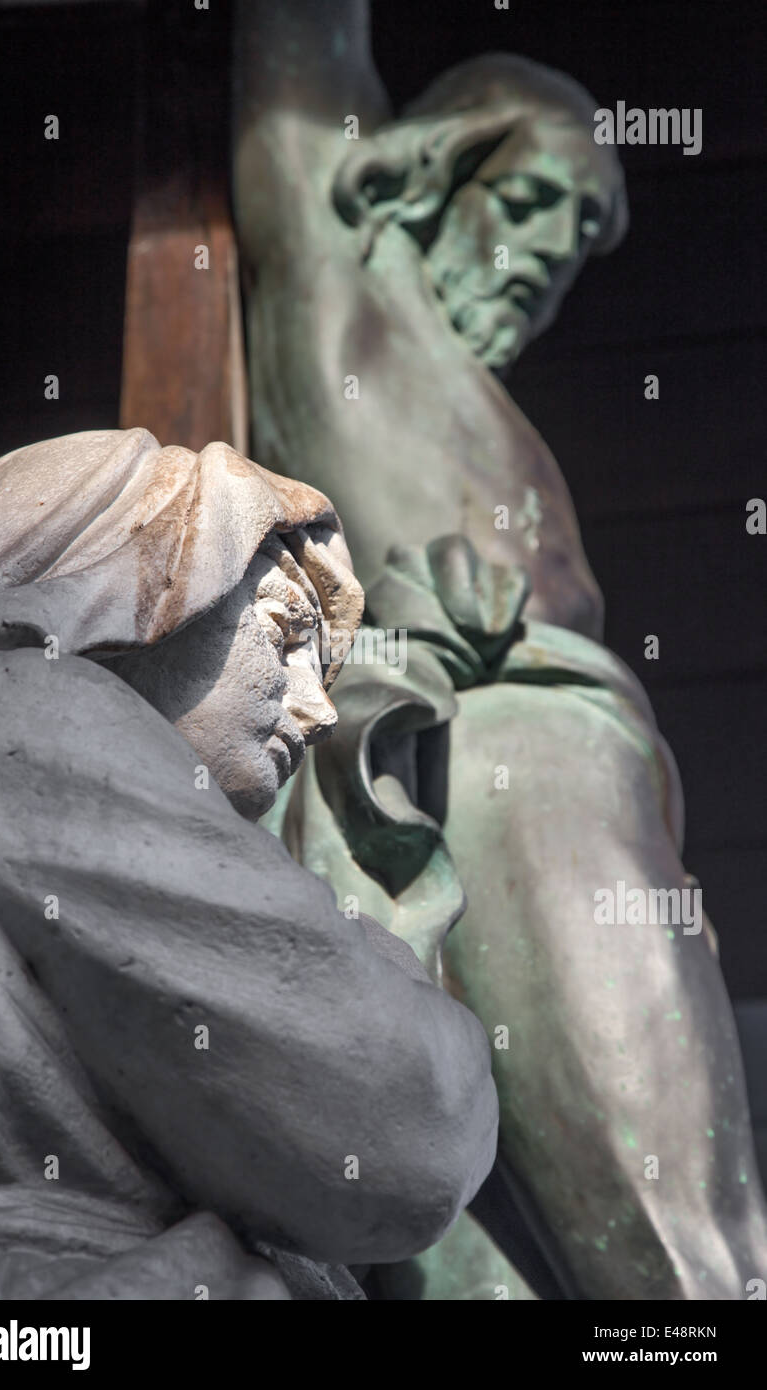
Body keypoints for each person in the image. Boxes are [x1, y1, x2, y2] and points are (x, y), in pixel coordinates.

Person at [233, 1, 767, 1297]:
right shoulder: (345, 264)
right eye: (529, 199)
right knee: (682, 1248)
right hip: (500, 737)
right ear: (431, 165)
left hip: (569, 760)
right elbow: (300, 44)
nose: (547, 252)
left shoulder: (481, 394)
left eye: (578, 236)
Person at [0, 427, 497, 1300]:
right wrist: (389, 962)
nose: (316, 711)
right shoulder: (25, 711)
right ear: (132, 583)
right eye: (286, 634)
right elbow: (402, 1127)